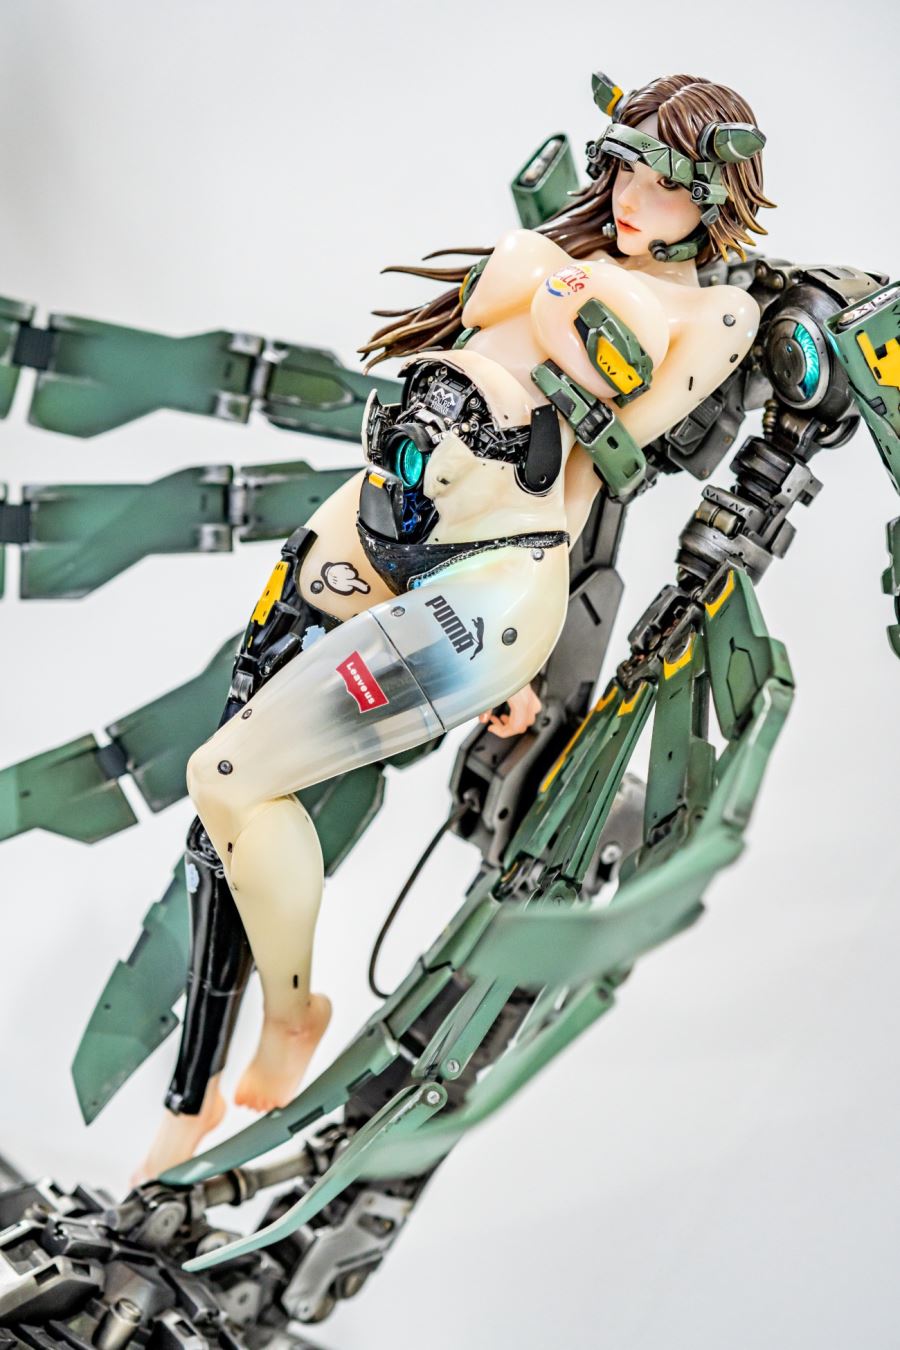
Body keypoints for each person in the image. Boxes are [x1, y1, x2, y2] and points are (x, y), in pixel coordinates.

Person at [135, 71, 774, 1179]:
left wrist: (563, 297)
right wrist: (557, 283)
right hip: (380, 516)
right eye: (621, 169)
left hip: (488, 581)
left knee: (229, 778)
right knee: (218, 825)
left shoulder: (712, 313)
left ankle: (293, 1015)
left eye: (664, 183)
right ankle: (187, 1099)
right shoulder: (569, 253)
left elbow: (612, 457)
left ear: (714, 193)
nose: (631, 199)